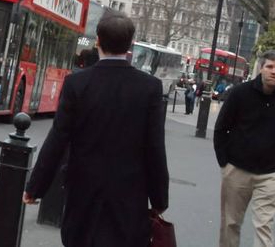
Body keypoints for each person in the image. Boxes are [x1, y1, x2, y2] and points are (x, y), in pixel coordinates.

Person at [23, 13, 169, 247]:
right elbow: (155, 147)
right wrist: (160, 198)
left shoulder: (76, 84)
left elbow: (58, 138)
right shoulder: (150, 87)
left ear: (98, 41)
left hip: (83, 191)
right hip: (129, 195)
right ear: (131, 43)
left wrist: (36, 187)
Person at [214, 50, 275, 247]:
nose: (273, 71)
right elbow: (221, 128)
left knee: (264, 225)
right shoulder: (240, 93)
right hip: (237, 169)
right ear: (261, 68)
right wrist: (224, 163)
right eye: (269, 66)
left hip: (271, 174)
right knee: (231, 223)